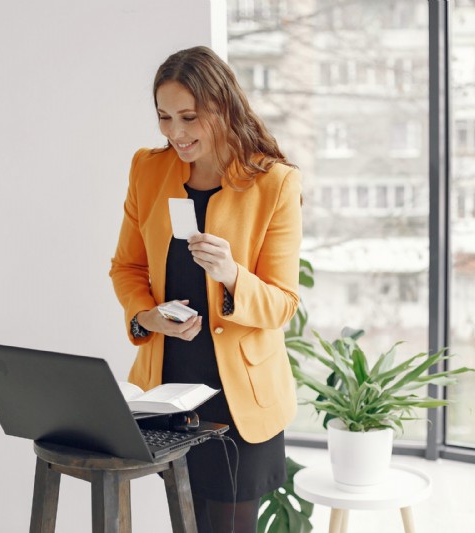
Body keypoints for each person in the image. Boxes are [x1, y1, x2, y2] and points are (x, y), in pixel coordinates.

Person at [109, 46, 302, 533]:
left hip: (241, 396)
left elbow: (283, 305)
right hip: (171, 388)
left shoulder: (273, 184)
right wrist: (144, 316)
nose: (175, 132)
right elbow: (126, 267)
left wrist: (233, 274)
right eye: (164, 117)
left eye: (189, 117)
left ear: (223, 108)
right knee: (186, 521)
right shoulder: (148, 170)